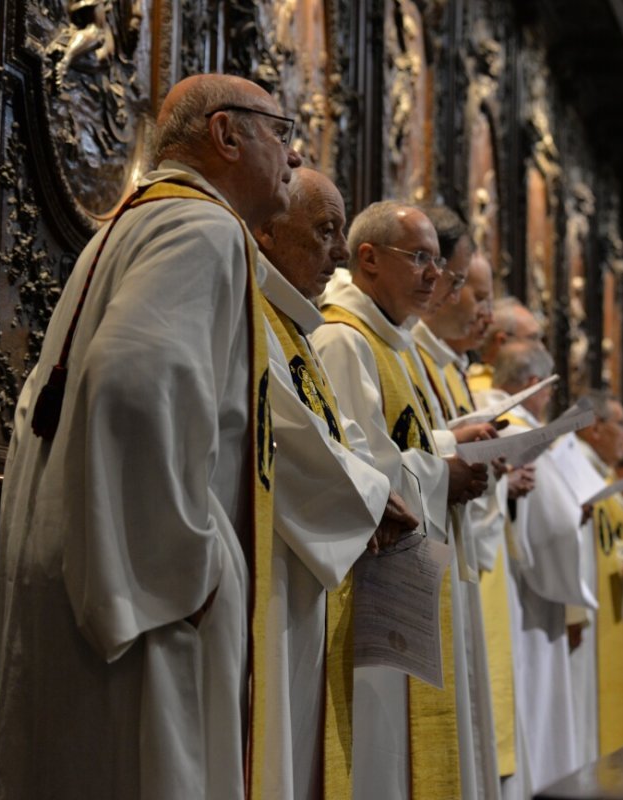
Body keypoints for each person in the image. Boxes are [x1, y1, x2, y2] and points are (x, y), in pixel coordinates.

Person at [0, 74, 300, 799]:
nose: (292, 158)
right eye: (281, 133)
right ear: (226, 135)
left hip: (90, 566)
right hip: (147, 600)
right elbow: (132, 384)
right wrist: (184, 567)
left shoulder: (132, 223)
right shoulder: (203, 227)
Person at [310, 200, 491, 799]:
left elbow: (395, 442)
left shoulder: (392, 343)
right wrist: (444, 475)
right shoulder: (343, 338)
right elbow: (358, 470)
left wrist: (447, 447)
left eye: (438, 263)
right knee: (384, 757)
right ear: (367, 259)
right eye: (419, 259)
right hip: (374, 587)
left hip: (413, 572)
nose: (433, 276)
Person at [252, 166, 419, 799]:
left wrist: (383, 490)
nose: (340, 253)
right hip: (281, 570)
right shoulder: (276, 317)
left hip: (314, 567)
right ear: (267, 231)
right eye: (325, 231)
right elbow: (293, 436)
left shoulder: (297, 325)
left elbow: (340, 433)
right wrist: (376, 497)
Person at [480, 341, 591, 792]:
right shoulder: (510, 419)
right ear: (532, 384)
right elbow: (558, 520)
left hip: (517, 580)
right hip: (526, 592)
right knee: (530, 704)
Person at [573, 390, 623, 756]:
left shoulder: (598, 474)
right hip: (587, 607)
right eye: (621, 425)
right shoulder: (574, 468)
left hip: (610, 599)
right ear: (594, 428)